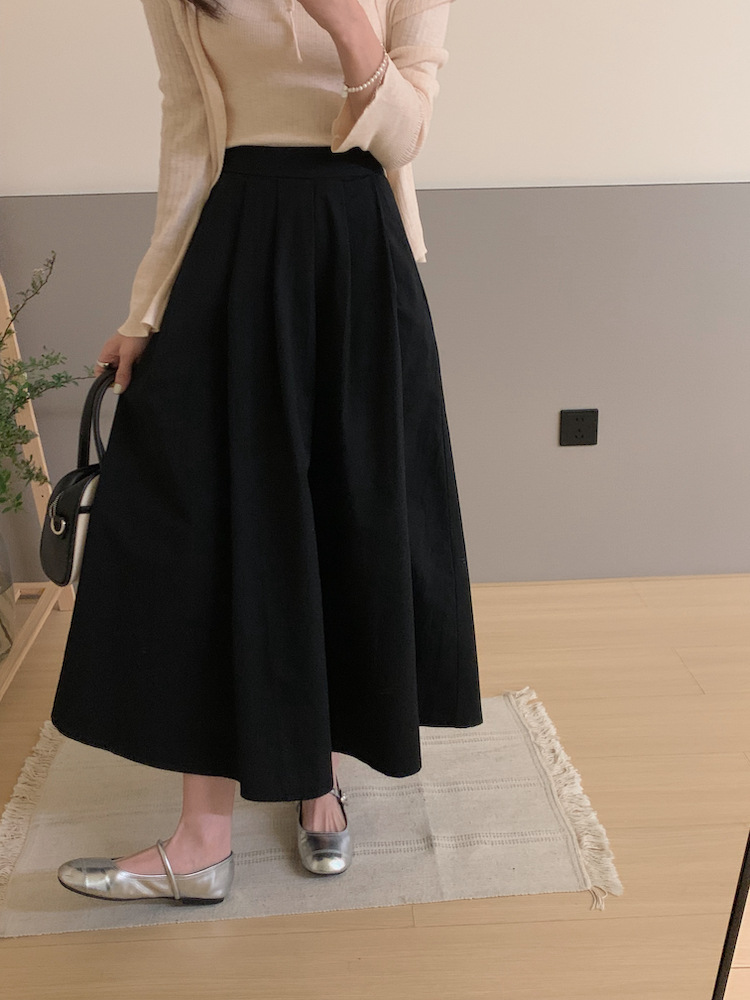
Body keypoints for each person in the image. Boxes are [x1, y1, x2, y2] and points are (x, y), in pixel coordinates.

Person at [52, 0, 483, 905]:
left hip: (357, 258)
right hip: (234, 248)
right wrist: (145, 310)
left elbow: (405, 136)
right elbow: (187, 136)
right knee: (205, 521)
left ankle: (319, 781)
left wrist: (348, 25)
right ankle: (201, 840)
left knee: (342, 514)